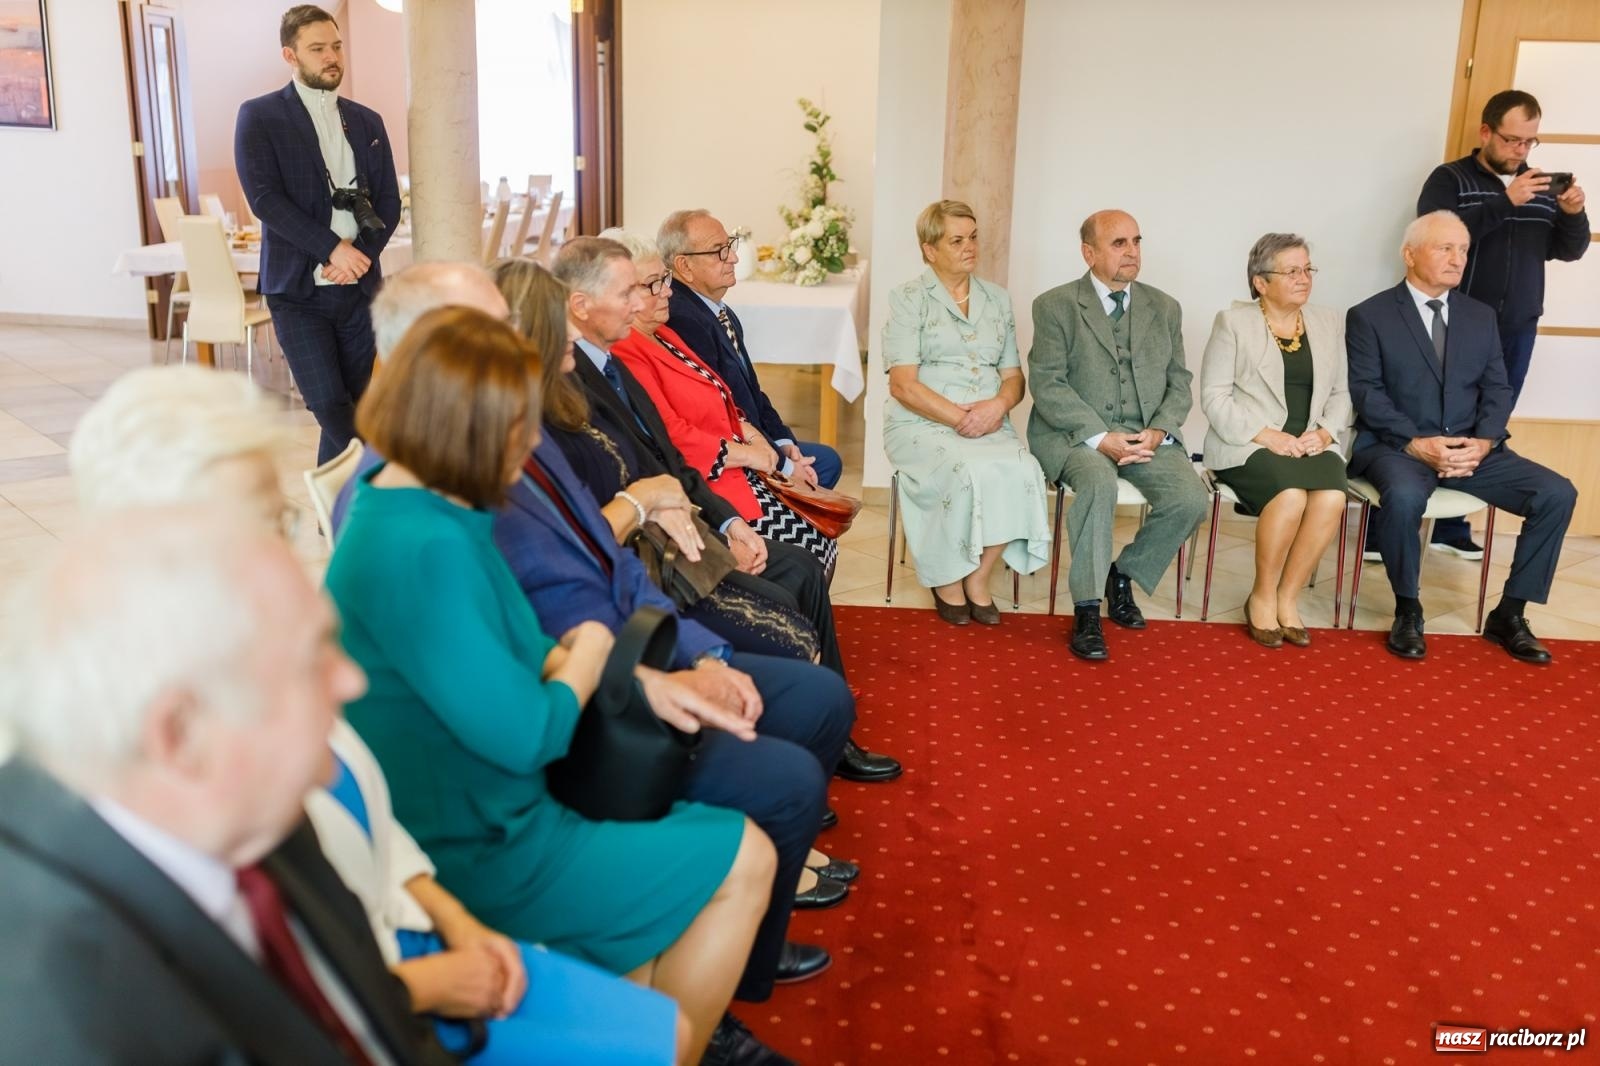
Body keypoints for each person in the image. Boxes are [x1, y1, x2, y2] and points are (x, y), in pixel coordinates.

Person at [67, 364, 689, 1066]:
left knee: (664, 1031)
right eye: (267, 524)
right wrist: (421, 985)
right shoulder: (144, 740)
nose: (288, 550)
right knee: (657, 1036)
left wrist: (452, 920)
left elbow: (367, 830)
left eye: (285, 521)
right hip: (377, 997)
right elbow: (229, 989)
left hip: (405, 930)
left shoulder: (255, 650)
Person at [324, 304, 777, 1064]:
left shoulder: (409, 503)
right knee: (746, 858)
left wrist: (584, 660)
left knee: (663, 937)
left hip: (488, 802)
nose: (524, 451)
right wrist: (594, 648)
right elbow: (534, 730)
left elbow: (513, 641)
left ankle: (649, 1040)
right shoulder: (423, 542)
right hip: (477, 837)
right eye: (513, 435)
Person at [0, 506, 452, 1065]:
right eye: (315, 657)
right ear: (182, 735)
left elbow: (385, 1031)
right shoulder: (56, 1017)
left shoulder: (255, 815)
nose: (352, 678)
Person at [552, 238, 901, 785]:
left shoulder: (627, 352)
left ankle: (824, 734)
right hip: (659, 554)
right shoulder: (585, 380)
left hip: (694, 514)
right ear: (578, 306)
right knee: (793, 584)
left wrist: (734, 514)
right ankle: (803, 736)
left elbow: (697, 435)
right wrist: (703, 514)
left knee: (806, 564)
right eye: (635, 290)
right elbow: (653, 471)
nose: (649, 298)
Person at [1346, 211, 1577, 664]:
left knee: (1556, 493)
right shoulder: (1369, 315)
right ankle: (1408, 609)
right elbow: (1366, 392)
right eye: (1444, 248)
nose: (1458, 259)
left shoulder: (1479, 316)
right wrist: (1417, 443)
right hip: (1399, 448)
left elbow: (1497, 386)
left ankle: (1509, 614)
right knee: (1406, 497)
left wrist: (1485, 442)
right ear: (1409, 254)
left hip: (1473, 449)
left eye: (1463, 250)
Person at [602, 228, 840, 580]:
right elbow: (672, 434)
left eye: (664, 279)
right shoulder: (628, 349)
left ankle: (800, 622)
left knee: (820, 537)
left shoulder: (664, 333)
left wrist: (761, 443)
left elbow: (724, 393)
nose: (668, 291)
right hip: (710, 478)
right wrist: (755, 456)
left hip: (733, 461)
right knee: (809, 547)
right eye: (653, 283)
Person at [1026, 210, 1209, 660]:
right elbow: (1047, 382)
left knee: (1190, 499)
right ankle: (1088, 609)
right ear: (1089, 253)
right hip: (1075, 434)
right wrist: (1097, 436)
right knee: (1098, 484)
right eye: (1119, 243)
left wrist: (1158, 430)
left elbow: (1179, 379)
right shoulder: (1054, 305)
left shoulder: (1164, 307)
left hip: (1146, 432)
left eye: (1136, 242)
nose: (1132, 252)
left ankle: (1123, 575)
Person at [1415, 89, 1589, 561]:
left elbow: (1568, 249)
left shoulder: (1538, 186)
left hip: (1515, 326)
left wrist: (1574, 214)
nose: (1521, 151)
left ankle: (1451, 526)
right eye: (1512, 140)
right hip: (1451, 320)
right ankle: (1394, 517)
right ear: (1486, 132)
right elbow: (1433, 234)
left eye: (1530, 142)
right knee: (1428, 417)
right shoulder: (1450, 178)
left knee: (1487, 423)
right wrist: (1504, 200)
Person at [235, 4, 400, 463]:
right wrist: (332, 249)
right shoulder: (260, 116)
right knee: (330, 404)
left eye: (336, 46)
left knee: (359, 404)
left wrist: (359, 257)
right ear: (290, 55)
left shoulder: (367, 121)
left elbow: (389, 201)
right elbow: (265, 200)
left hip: (361, 288)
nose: (332, 57)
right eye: (317, 49)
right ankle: (367, 493)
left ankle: (337, 519)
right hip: (297, 291)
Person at [881, 200, 1051, 626]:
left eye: (973, 237)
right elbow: (902, 385)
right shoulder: (908, 299)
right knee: (966, 469)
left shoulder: (997, 299)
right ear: (929, 250)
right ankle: (947, 579)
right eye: (956, 240)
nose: (969, 247)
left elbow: (1014, 377)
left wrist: (997, 406)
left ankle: (978, 576)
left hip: (988, 419)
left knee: (1024, 470)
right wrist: (960, 419)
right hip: (921, 422)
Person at [1199, 234, 1352, 648]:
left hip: (1311, 442)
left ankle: (1288, 596)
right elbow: (1214, 396)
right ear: (1260, 282)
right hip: (1249, 443)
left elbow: (1341, 393)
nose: (1303, 278)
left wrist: (1323, 433)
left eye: (1307, 269)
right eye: (1291, 271)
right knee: (1290, 496)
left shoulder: (1327, 320)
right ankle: (1262, 595)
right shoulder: (1233, 323)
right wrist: (1268, 436)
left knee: (1332, 498)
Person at [661, 208, 843, 489]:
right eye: (718, 251)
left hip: (756, 439)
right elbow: (723, 412)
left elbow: (752, 391)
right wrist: (782, 462)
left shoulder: (719, 311)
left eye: (729, 246)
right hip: (733, 452)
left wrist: (783, 441)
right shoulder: (684, 320)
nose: (733, 257)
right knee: (825, 465)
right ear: (684, 266)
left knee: (825, 462)